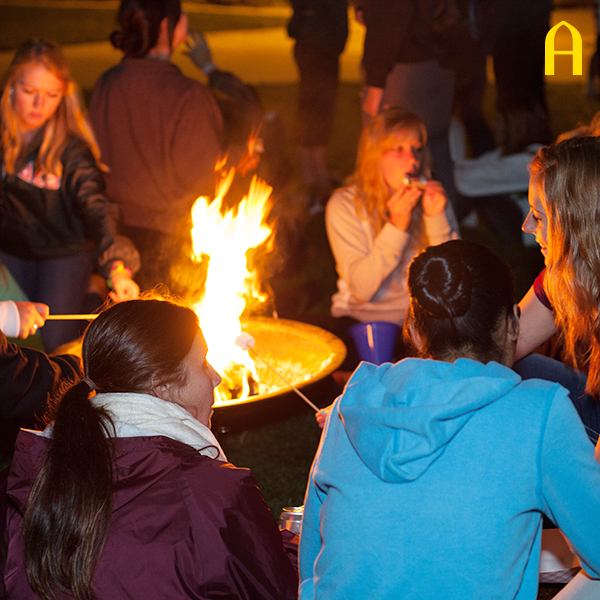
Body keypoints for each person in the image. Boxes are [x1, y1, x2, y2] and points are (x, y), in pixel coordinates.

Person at [299, 239, 600, 600]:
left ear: (412, 330)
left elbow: (311, 568)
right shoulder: (539, 412)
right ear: (512, 324)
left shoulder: (351, 406)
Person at [0, 297, 298, 599]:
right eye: (203, 364)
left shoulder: (26, 478)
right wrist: (301, 541)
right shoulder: (215, 494)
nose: (217, 377)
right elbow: (277, 589)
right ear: (163, 386)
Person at [0, 39, 140, 351]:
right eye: (29, 91)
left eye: (51, 95)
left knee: (53, 342)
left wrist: (117, 266)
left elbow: (98, 209)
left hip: (63, 253)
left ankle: (92, 295)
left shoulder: (72, 151)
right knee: (13, 339)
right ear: (11, 86)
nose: (39, 104)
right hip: (10, 249)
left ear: (63, 95)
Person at [88, 0, 225, 295]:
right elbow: (200, 178)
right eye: (182, 16)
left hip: (115, 241)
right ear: (166, 26)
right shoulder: (187, 96)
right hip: (170, 246)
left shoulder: (106, 84)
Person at [325, 108, 456, 360]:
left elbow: (453, 285)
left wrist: (436, 218)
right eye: (399, 150)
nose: (413, 160)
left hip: (419, 322)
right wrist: (396, 227)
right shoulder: (344, 205)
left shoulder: (433, 202)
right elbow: (362, 289)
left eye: (417, 149)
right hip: (358, 322)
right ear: (375, 157)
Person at [516, 136, 600, 442]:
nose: (526, 226)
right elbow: (505, 342)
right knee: (520, 369)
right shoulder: (566, 274)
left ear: (577, 222)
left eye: (538, 216)